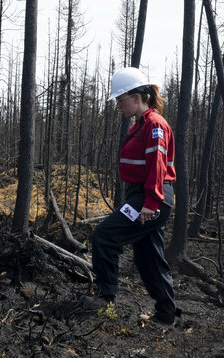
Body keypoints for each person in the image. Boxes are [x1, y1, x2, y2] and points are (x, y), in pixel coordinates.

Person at [80, 66, 179, 324]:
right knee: (149, 258)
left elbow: (157, 163)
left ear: (136, 97)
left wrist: (150, 202)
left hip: (151, 197)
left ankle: (105, 298)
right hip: (145, 196)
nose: (117, 106)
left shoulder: (154, 124)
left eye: (120, 100)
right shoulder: (141, 124)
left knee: (105, 235)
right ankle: (166, 315)